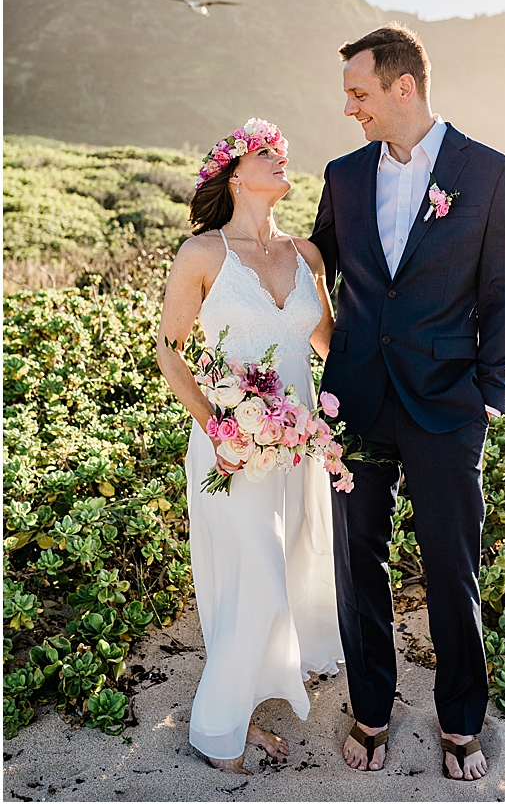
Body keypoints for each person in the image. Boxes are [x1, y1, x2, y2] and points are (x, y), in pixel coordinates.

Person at [309, 24, 505, 781]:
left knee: (451, 567)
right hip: (358, 400)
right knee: (356, 561)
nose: (350, 109)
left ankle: (460, 721)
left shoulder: (490, 173)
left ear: (405, 87)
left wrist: (485, 393)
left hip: (446, 404)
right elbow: (316, 265)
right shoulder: (341, 175)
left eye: (359, 93)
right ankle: (371, 709)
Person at [156, 119, 342, 773]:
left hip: (296, 448)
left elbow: (328, 350)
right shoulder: (202, 253)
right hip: (230, 452)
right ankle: (215, 733)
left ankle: (241, 711)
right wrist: (218, 428)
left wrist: (340, 430)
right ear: (235, 172)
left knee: (281, 575)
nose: (282, 159)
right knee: (256, 579)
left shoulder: (308, 256)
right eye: (269, 152)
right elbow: (170, 352)